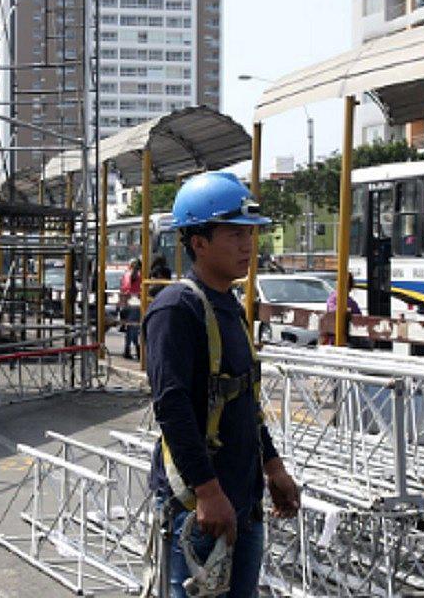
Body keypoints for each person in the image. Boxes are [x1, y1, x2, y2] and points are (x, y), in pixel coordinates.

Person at [144, 171, 300, 597]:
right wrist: (208, 492)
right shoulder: (176, 309)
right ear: (199, 242)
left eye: (250, 233)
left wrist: (274, 468)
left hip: (241, 505)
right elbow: (172, 408)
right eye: (234, 234)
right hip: (199, 510)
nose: (248, 245)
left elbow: (243, 400)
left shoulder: (229, 306)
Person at [120, 258, 144, 359]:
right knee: (133, 328)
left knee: (130, 328)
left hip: (126, 303)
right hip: (135, 303)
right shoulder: (138, 275)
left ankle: (130, 349)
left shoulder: (126, 274)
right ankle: (134, 350)